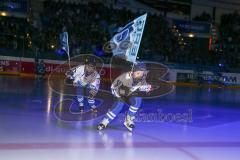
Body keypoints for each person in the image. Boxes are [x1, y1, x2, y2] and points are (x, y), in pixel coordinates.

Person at [97, 62, 152, 132]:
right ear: (133, 72)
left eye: (142, 73)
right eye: (138, 73)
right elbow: (113, 87)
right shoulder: (124, 77)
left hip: (129, 94)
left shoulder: (141, 78)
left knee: (138, 100)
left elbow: (141, 87)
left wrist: (146, 88)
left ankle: (129, 119)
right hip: (118, 93)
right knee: (118, 106)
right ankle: (105, 121)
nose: (140, 75)